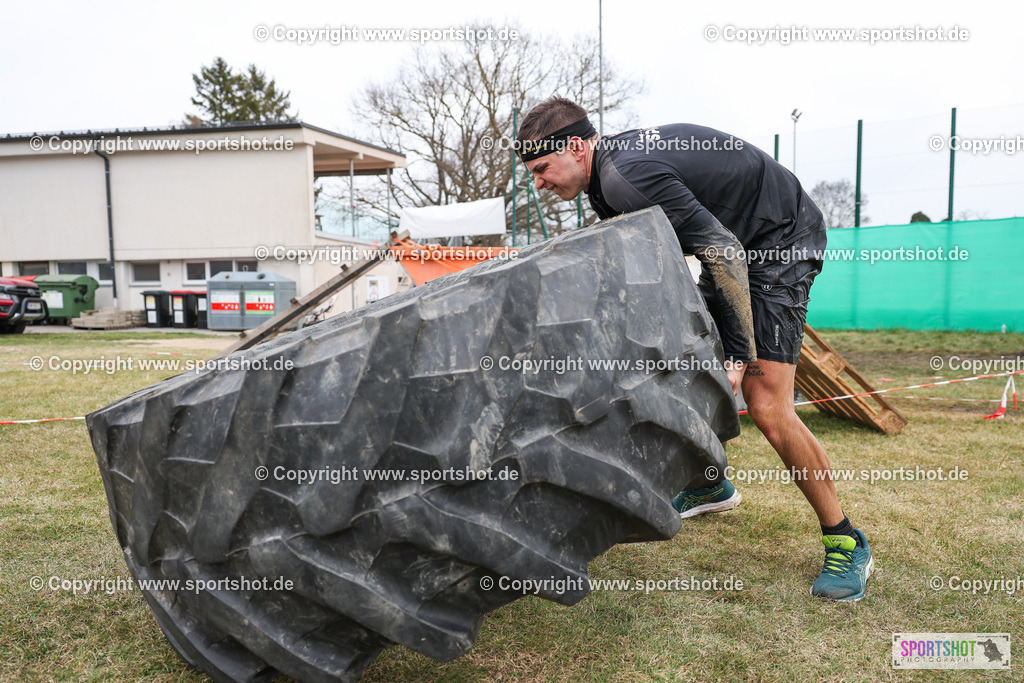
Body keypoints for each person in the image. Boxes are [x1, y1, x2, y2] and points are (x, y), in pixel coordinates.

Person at [515, 96, 872, 601]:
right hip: (733, 250)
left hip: (778, 241)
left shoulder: (624, 176)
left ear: (575, 148)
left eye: (542, 169)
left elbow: (722, 251)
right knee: (684, 363)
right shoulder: (604, 186)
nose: (539, 183)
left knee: (767, 403)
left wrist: (738, 357)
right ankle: (711, 483)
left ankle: (846, 541)